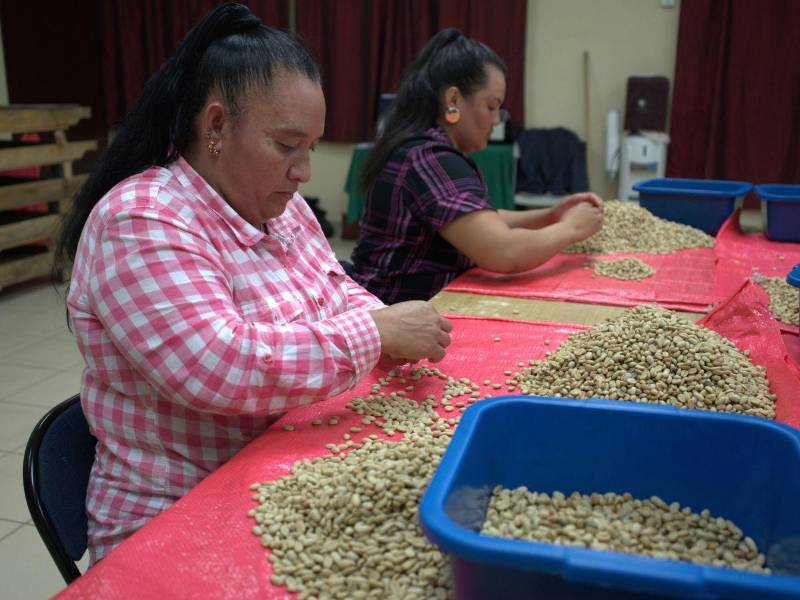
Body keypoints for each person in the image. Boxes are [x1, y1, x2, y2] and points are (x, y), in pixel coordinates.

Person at [54, 4, 451, 564]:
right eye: (287, 145)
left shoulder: (281, 207)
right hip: (178, 517)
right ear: (216, 126)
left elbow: (335, 289)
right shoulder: (141, 219)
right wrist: (377, 333)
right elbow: (220, 364)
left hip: (275, 476)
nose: (303, 171)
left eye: (311, 147)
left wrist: (388, 323)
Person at [350, 29, 604, 304]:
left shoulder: (422, 148)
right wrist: (571, 229)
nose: (497, 120)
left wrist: (551, 214)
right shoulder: (431, 159)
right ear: (453, 100)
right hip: (391, 310)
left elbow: (480, 220)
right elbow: (504, 252)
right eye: (491, 107)